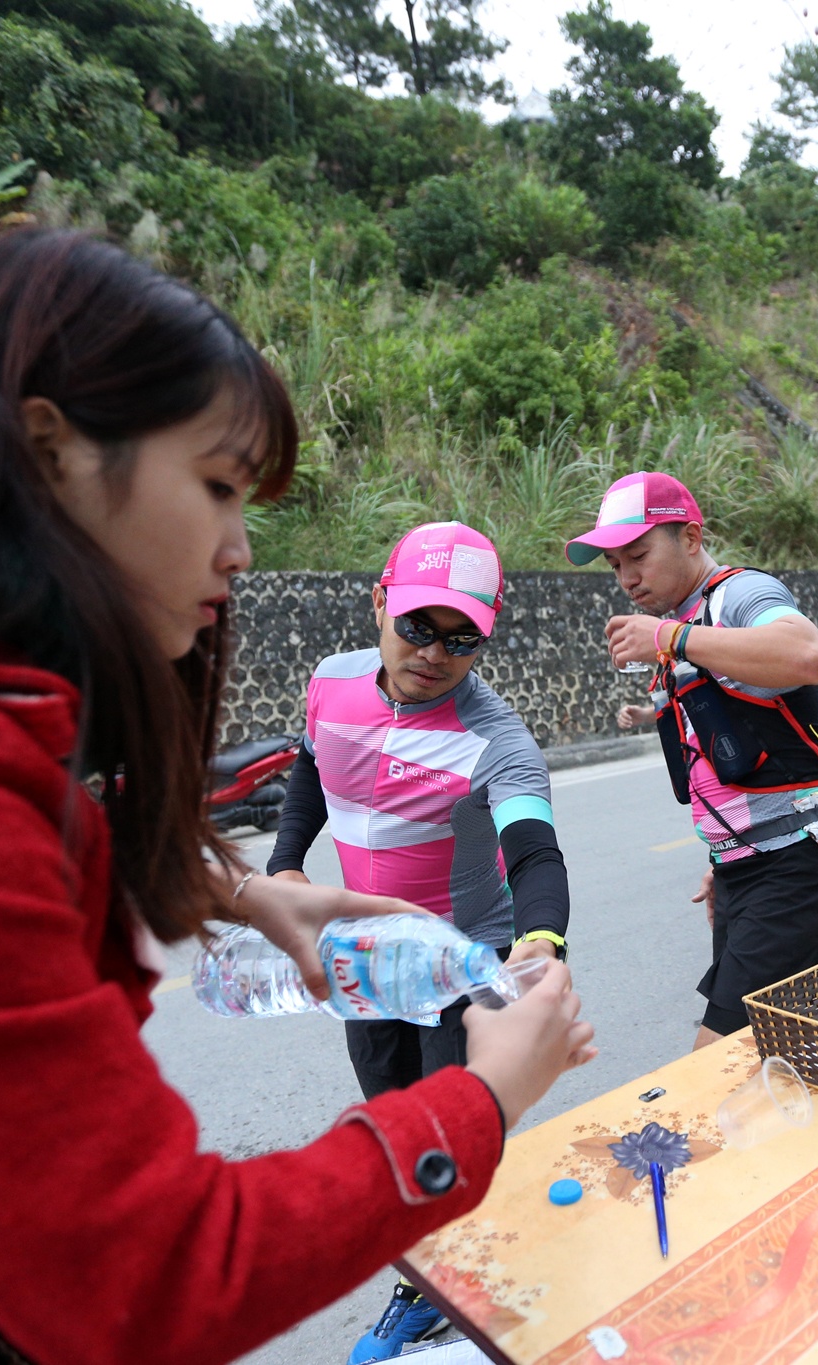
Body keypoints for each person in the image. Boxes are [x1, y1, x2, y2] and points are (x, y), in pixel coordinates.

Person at [0, 229, 595, 1365]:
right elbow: (152, 1276)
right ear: (48, 451)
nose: (241, 548)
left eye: (463, 638)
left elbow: (533, 847)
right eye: (215, 487)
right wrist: (489, 1103)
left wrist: (245, 894)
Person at [266, 520, 572, 1360]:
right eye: (417, 626)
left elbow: (536, 853)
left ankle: (437, 1294)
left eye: (462, 637)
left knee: (451, 1132)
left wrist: (542, 940)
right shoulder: (329, 685)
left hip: (462, 960)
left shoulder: (497, 739)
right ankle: (433, 1271)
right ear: (380, 603)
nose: (436, 652)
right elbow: (312, 768)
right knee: (394, 1118)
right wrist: (286, 860)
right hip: (367, 964)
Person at [583, 472, 818, 1050]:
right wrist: (728, 853)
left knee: (717, 1063)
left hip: (800, 869)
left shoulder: (736, 596)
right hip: (747, 867)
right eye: (614, 566)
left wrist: (669, 635)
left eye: (637, 555)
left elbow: (804, 653)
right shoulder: (681, 626)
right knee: (772, 1069)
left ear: (689, 537)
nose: (627, 578)